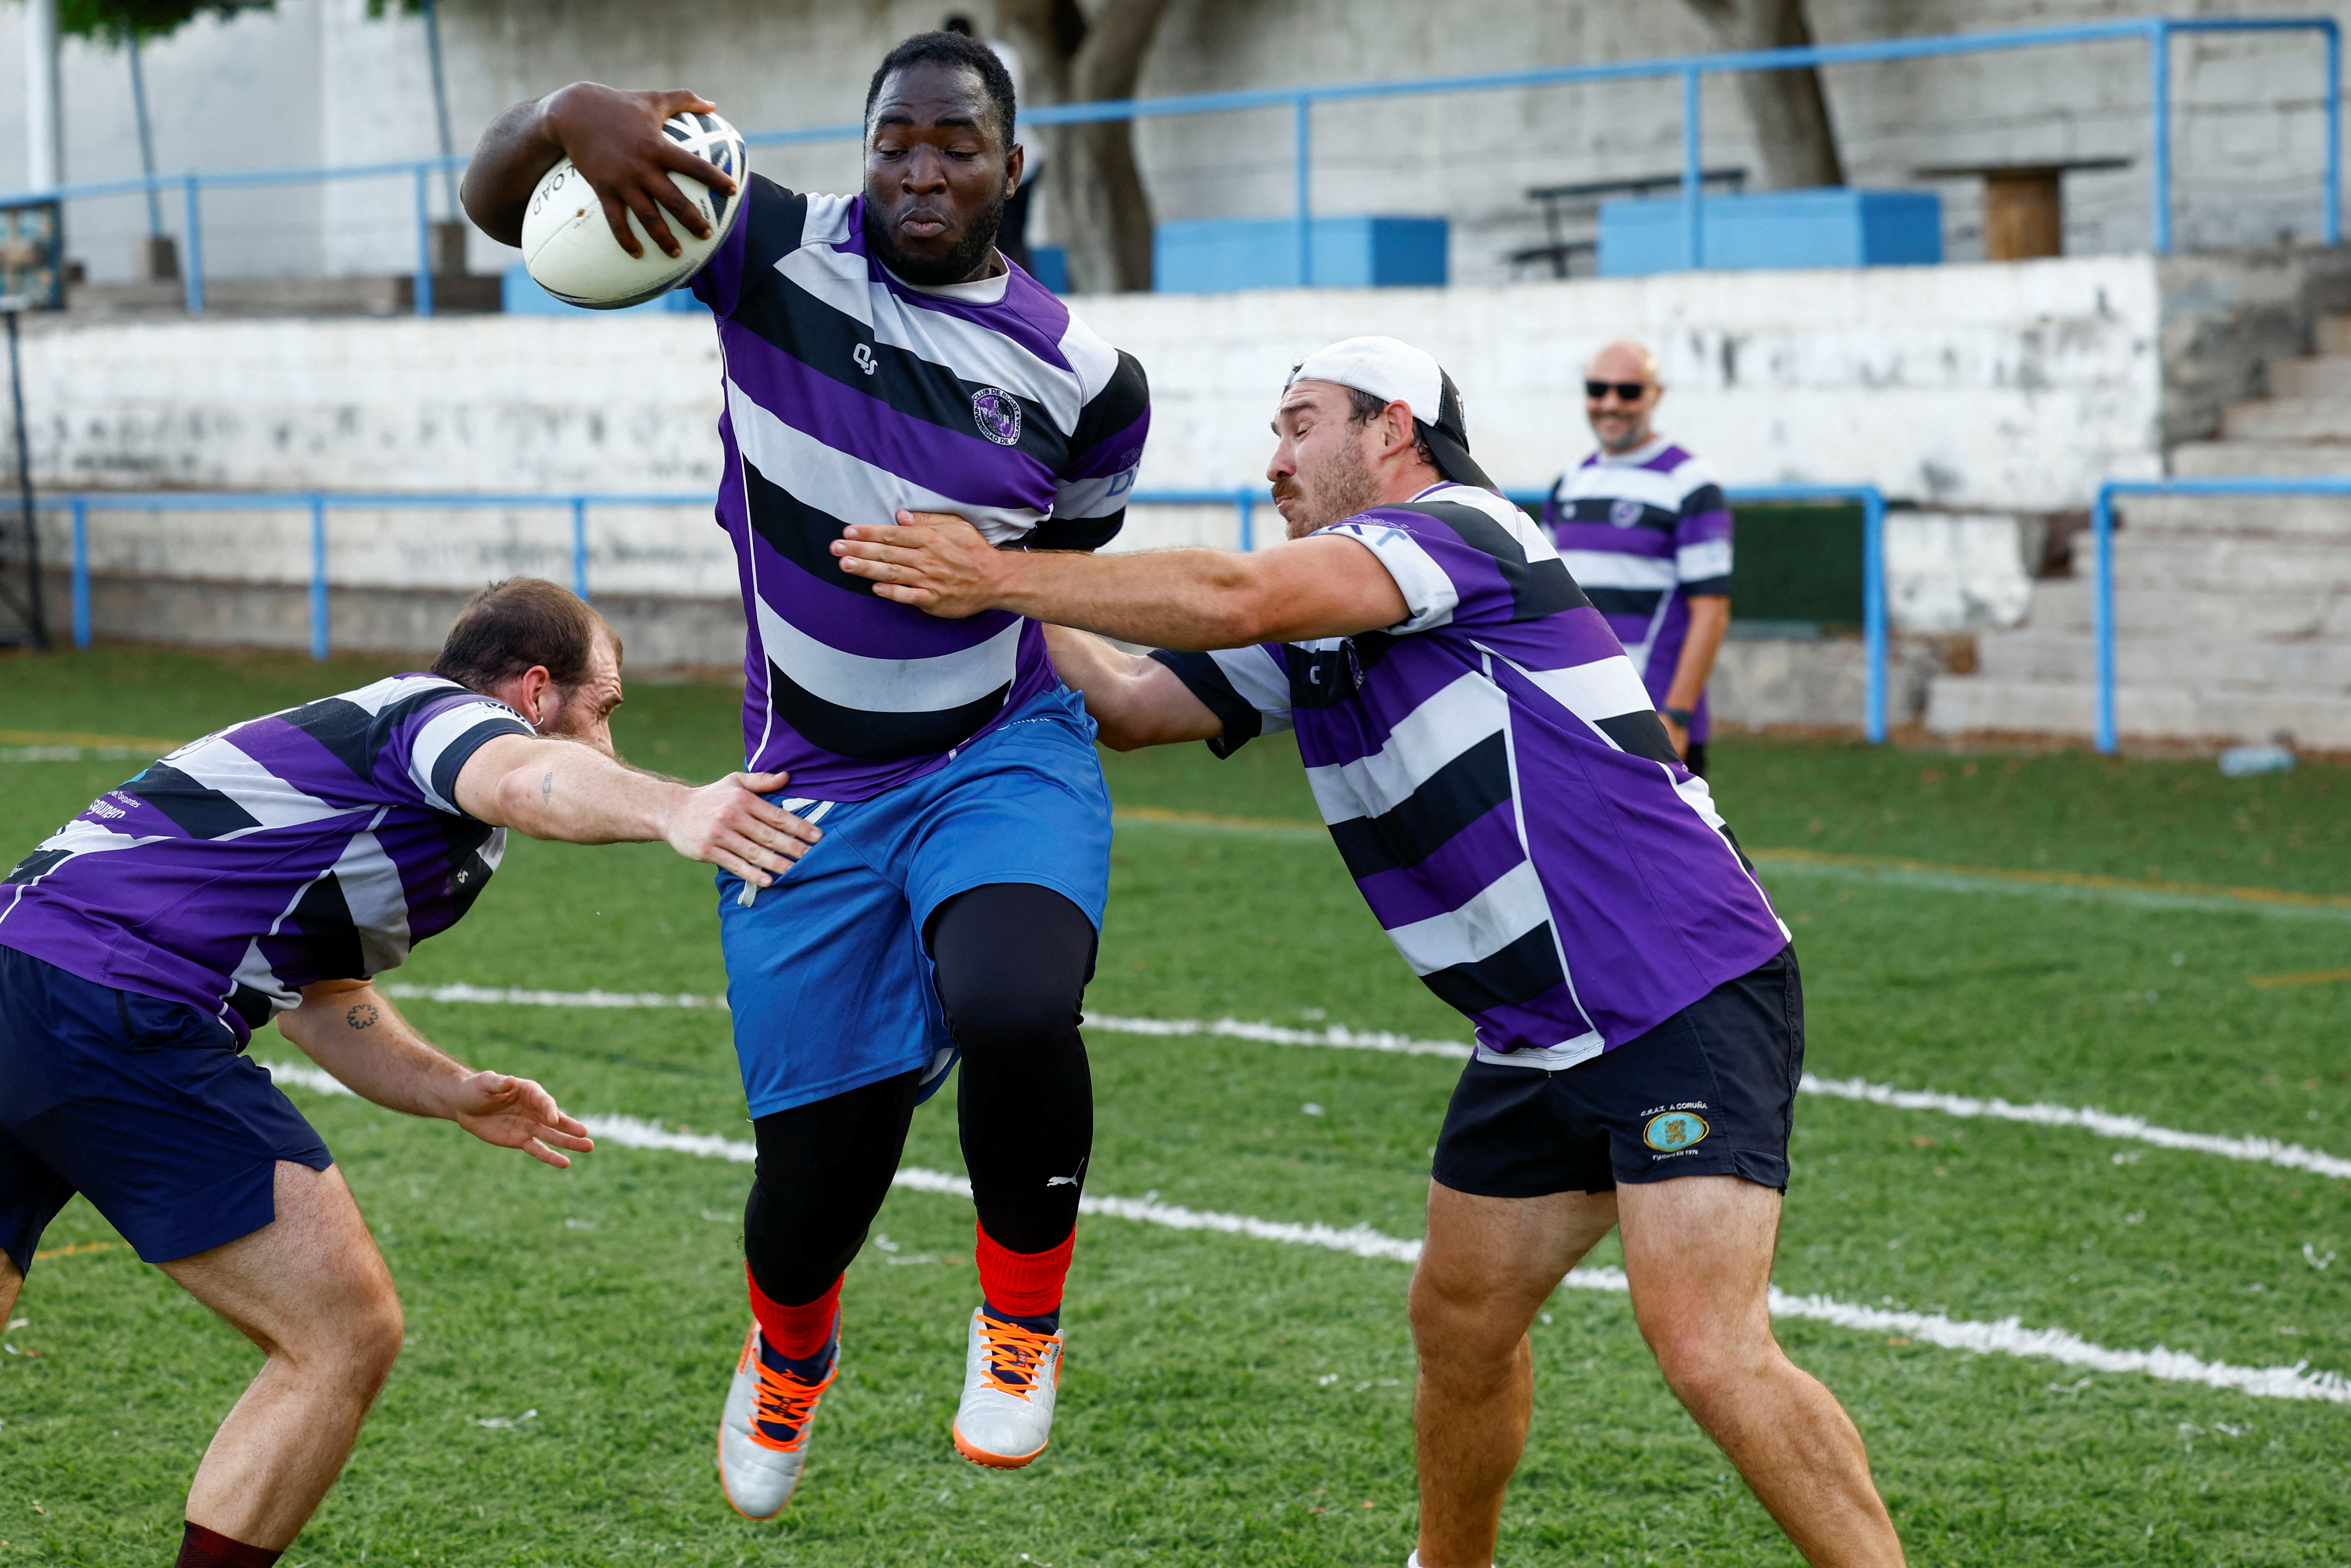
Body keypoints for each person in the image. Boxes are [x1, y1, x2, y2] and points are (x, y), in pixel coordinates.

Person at [829, 337, 1908, 1568]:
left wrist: (1007, 573)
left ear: (1391, 429)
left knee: (1708, 1349)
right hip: (1539, 1032)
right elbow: (1131, 705)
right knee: (1458, 1324)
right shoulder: (1318, 627)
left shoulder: (1465, 529)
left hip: (1677, 984)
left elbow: (1236, 591)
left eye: (1300, 424)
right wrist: (995, 579)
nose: (1275, 457)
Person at [459, 27, 1150, 1516]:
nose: (921, 167)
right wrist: (570, 110)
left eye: (955, 143)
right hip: (808, 792)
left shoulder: (1091, 381)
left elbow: (1066, 571)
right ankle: (789, 1350)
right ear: (865, 151)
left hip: (999, 752)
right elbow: (498, 207)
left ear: (1010, 166)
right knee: (812, 1192)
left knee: (1018, 1001)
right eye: (895, 139)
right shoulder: (764, 247)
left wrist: (1004, 578)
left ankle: (1020, 1326)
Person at [0, 578, 819, 1568]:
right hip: (115, 1004)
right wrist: (679, 806)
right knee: (342, 1332)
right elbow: (525, 780)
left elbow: (310, 993)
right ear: (533, 690)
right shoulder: (443, 718)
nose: (605, 744)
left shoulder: (375, 767)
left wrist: (447, 1085)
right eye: (602, 710)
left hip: (21, 971)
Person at [1543, 339, 1733, 776]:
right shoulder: (1570, 483)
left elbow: (1711, 611)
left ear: (1655, 395)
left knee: (1669, 847)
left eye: (1627, 392)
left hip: (1654, 717)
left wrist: (1677, 713)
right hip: (1578, 716)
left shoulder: (1691, 483)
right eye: (1597, 389)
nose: (1610, 404)